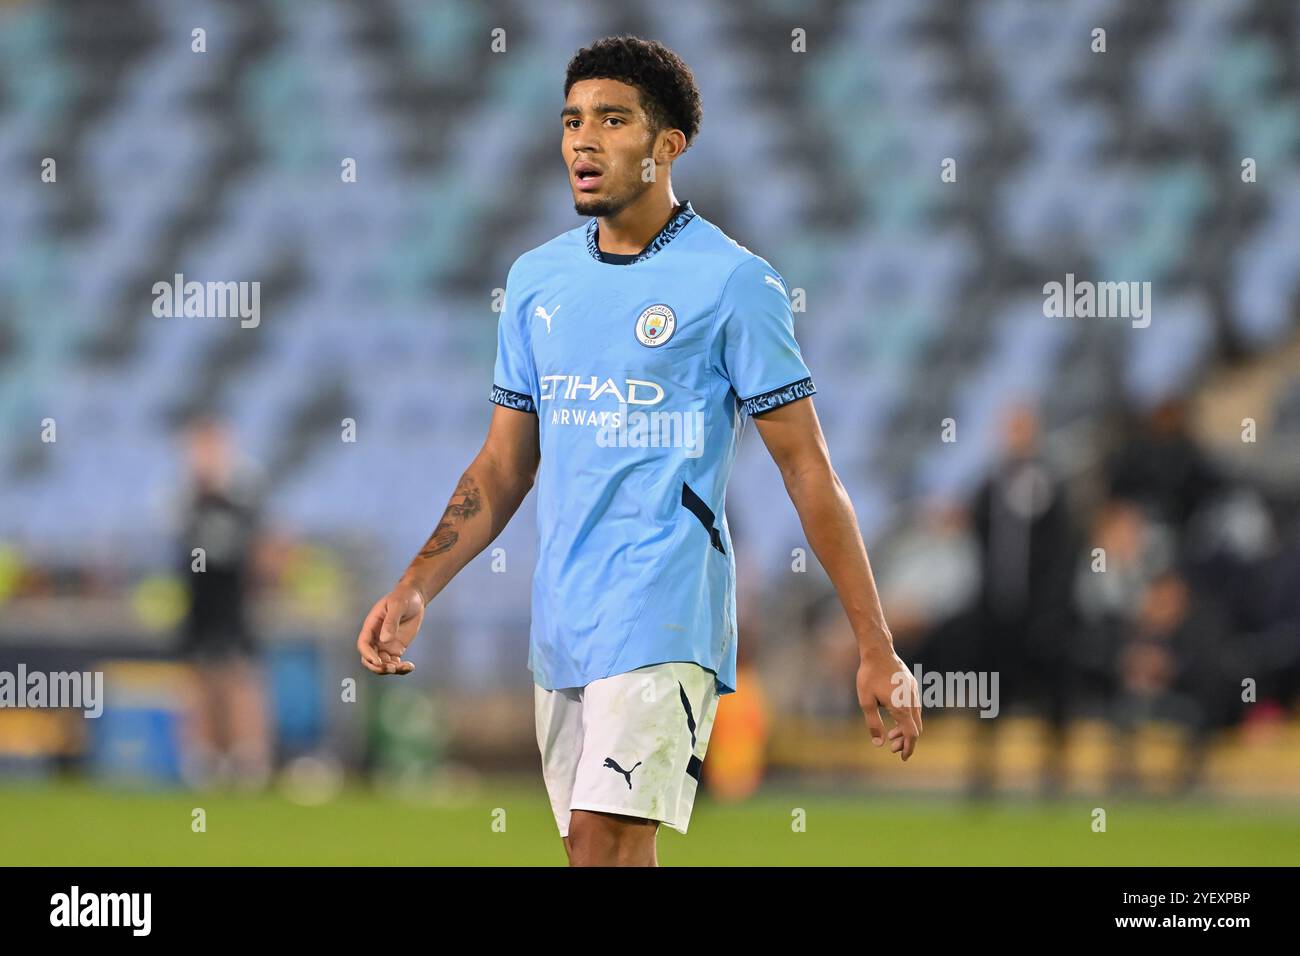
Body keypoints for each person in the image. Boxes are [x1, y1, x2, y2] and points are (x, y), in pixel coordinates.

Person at [356, 35, 920, 866]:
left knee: (602, 847)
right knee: (607, 855)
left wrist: (876, 646)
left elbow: (808, 468)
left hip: (666, 610)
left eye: (613, 120)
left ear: (668, 145)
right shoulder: (537, 282)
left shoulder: (734, 283)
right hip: (565, 619)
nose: (584, 140)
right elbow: (503, 466)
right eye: (573, 120)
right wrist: (416, 586)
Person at [176, 415, 272, 789]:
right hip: (199, 599)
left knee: (238, 675)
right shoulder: (184, 496)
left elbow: (258, 546)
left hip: (233, 600)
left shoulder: (244, 493)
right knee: (199, 677)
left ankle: (247, 756)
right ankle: (204, 756)